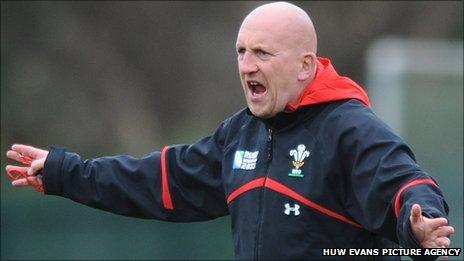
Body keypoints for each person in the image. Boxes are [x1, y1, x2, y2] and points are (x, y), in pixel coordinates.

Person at [5, 2, 454, 259]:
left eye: (262, 52)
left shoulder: (348, 128)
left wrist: (419, 222)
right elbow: (160, 178)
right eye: (241, 51)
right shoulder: (239, 134)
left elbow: (403, 180)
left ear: (304, 66)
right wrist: (65, 172)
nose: (246, 65)